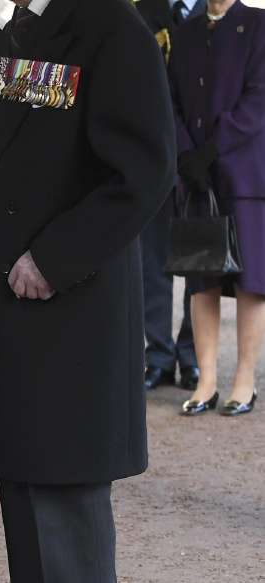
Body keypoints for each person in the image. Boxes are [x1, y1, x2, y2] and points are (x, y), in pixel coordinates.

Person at [0, 0, 174, 583]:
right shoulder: (25, 25)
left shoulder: (112, 29)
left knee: (66, 477)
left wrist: (55, 257)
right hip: (10, 284)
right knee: (21, 469)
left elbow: (142, 173)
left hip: (71, 294)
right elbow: (20, 155)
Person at [170, 0, 265, 417]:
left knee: (250, 280)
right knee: (201, 277)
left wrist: (212, 148)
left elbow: (259, 100)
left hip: (244, 174)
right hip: (197, 177)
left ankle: (244, 380)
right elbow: (170, 100)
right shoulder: (185, 32)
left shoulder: (259, 25)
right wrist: (186, 154)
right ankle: (205, 382)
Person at [135, 0, 206, 392]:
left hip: (202, 159)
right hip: (153, 154)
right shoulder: (140, 10)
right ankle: (159, 356)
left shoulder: (221, 11)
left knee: (201, 261)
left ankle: (192, 355)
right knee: (153, 261)